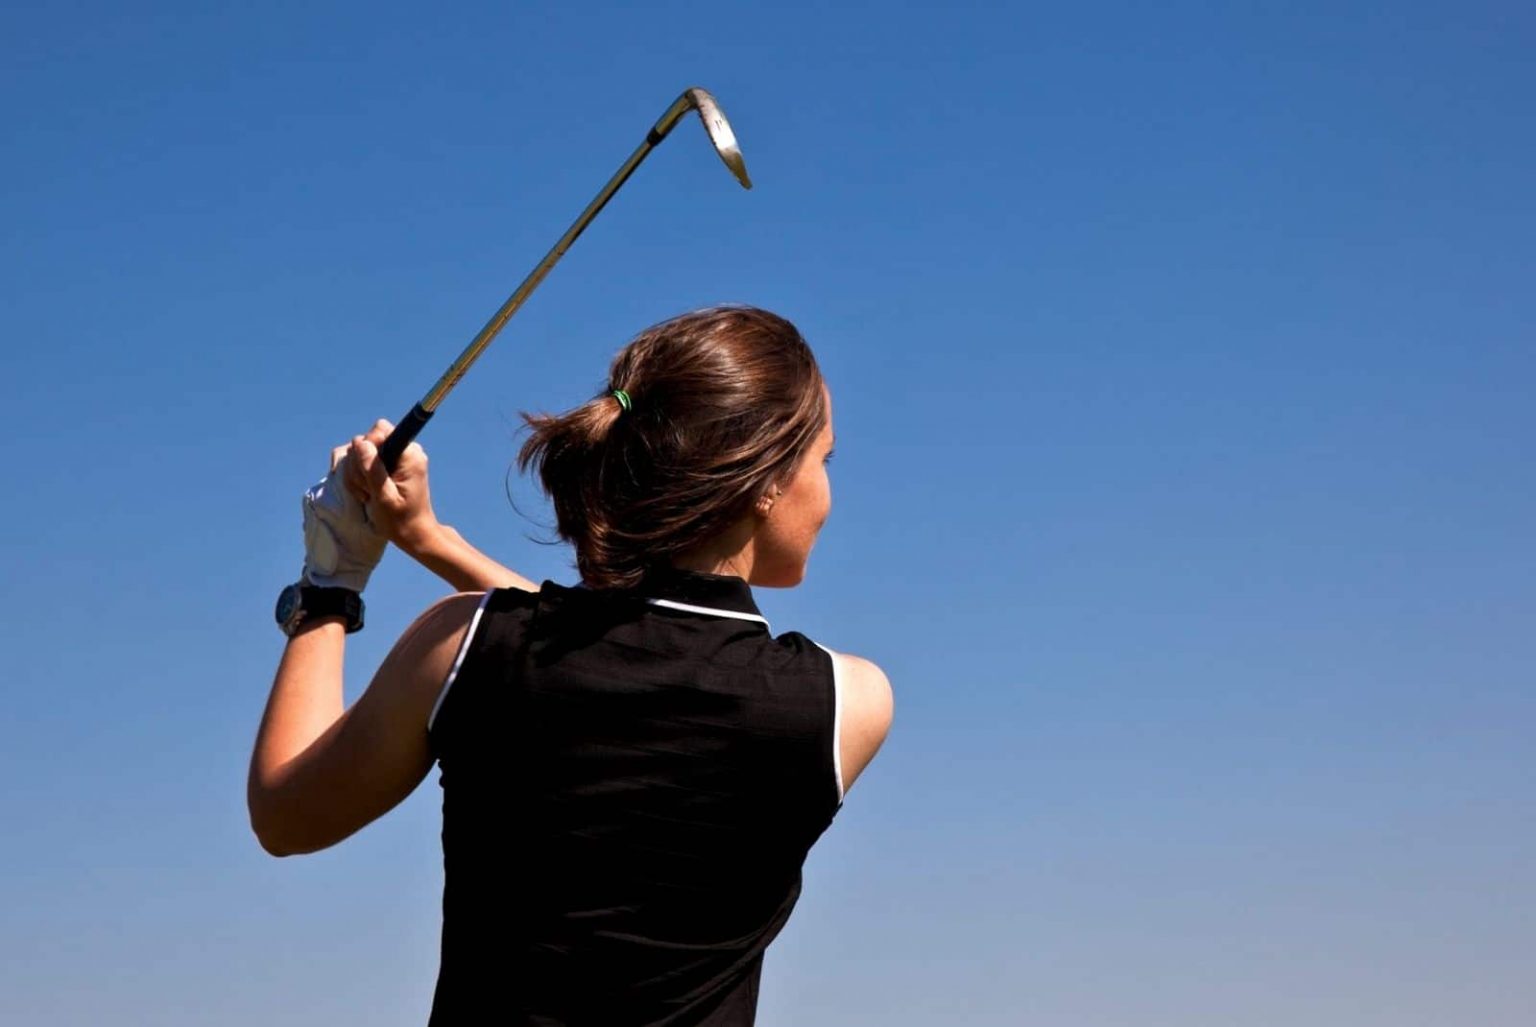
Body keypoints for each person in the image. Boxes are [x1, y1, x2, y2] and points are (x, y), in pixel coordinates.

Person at [247, 305, 894, 1025]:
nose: (829, 491)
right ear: (765, 478)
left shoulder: (463, 648)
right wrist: (431, 541)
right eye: (822, 459)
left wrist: (330, 580)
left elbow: (285, 813)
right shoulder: (841, 705)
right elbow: (622, 644)